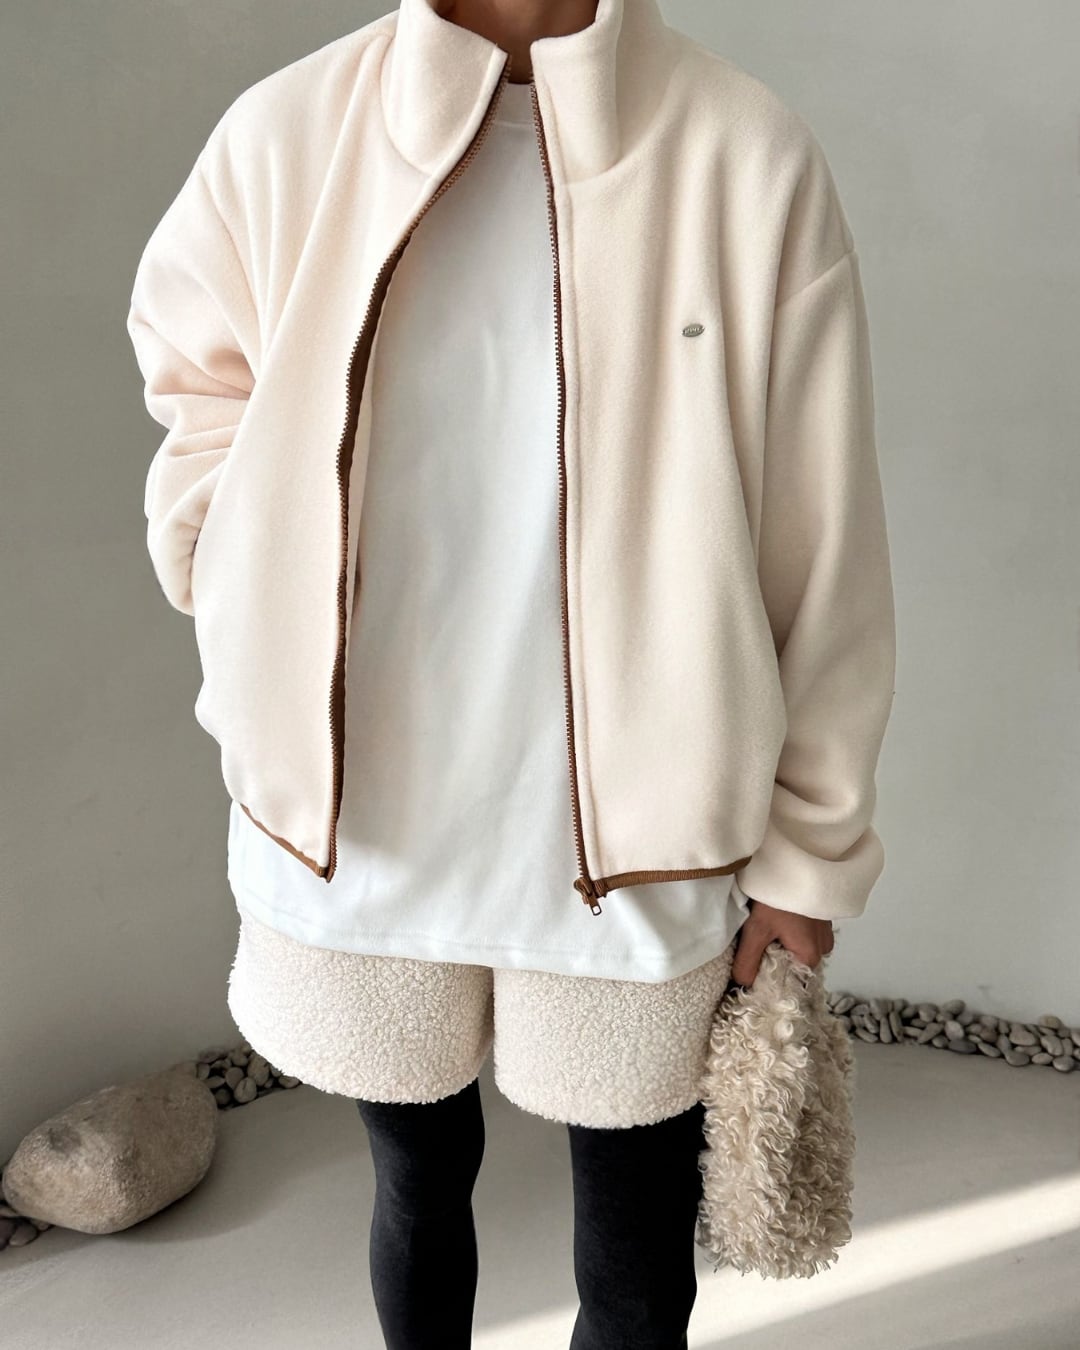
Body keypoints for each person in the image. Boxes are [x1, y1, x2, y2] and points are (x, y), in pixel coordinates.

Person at [126, 0, 896, 1345]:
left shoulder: (742, 151)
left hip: (644, 829)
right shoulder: (289, 131)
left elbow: (821, 538)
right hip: (363, 824)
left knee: (637, 1243)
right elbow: (198, 377)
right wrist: (228, 559)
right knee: (415, 1186)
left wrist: (808, 854)